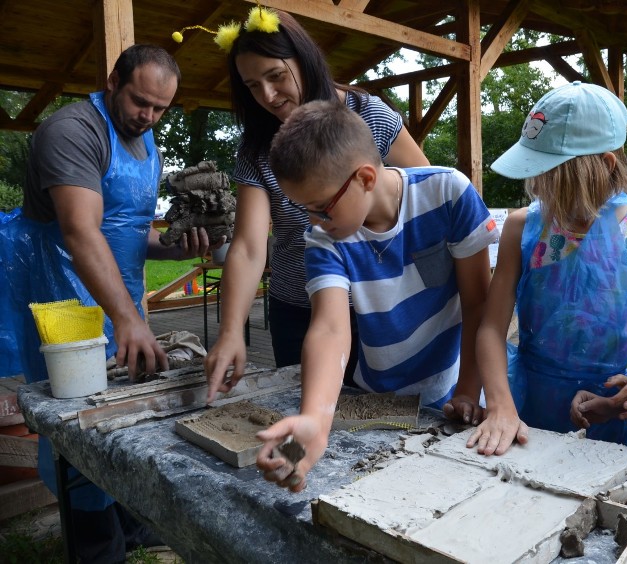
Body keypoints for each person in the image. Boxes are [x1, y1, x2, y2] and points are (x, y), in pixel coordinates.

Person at [2, 44, 213, 561]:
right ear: (114, 80)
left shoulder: (146, 140)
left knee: (123, 411)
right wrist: (126, 318)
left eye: (160, 108)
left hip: (116, 291)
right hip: (59, 294)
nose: (148, 116)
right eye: (140, 101)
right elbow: (79, 232)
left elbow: (124, 233)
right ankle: (96, 547)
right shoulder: (73, 132)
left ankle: (128, 524)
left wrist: (173, 244)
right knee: (76, 416)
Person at [252, 99, 497, 491]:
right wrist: (315, 420)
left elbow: (479, 303)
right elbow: (330, 329)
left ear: (365, 178)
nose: (315, 221)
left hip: (452, 392)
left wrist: (469, 389)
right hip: (376, 403)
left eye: (321, 208)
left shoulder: (449, 193)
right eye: (305, 209)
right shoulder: (323, 240)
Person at [199, 6, 429, 402]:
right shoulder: (256, 147)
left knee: (394, 421)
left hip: (379, 307)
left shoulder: (368, 114)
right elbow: (250, 246)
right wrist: (231, 330)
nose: (268, 96)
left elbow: (425, 201)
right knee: (310, 416)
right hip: (299, 309)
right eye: (253, 86)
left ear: (304, 61)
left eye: (275, 76)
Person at [470, 81, 627, 459]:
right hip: (528, 405)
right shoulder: (523, 226)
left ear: (603, 167)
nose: (538, 187)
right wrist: (500, 405)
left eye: (550, 176)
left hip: (611, 411)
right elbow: (490, 328)